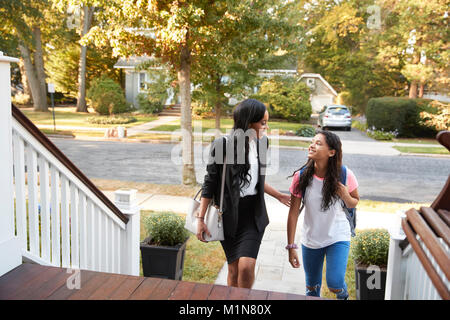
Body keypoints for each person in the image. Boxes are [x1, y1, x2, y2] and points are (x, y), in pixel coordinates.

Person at [197, 98, 290, 289]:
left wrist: (278, 195)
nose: (267, 127)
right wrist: (200, 217)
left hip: (252, 214)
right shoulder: (221, 145)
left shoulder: (263, 144)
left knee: (246, 266)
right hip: (229, 215)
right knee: (233, 270)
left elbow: (257, 180)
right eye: (263, 123)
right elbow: (210, 182)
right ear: (248, 123)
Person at [286, 130, 359, 300]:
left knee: (334, 283)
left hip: (338, 236)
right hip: (311, 238)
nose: (312, 145)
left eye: (318, 143)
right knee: (312, 288)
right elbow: (293, 214)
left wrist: (345, 195)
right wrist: (291, 247)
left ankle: (344, 295)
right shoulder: (301, 177)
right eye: (312, 142)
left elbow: (354, 202)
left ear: (331, 152)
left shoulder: (345, 175)